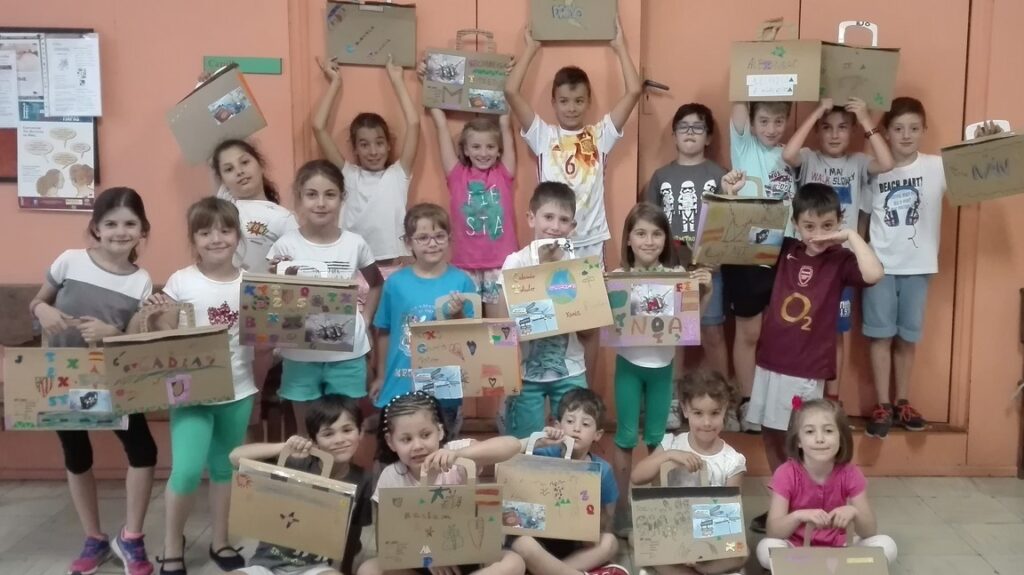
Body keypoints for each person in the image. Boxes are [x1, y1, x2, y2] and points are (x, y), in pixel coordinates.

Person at [29, 187, 158, 575]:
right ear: (96, 228)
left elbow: (134, 338)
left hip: (112, 377)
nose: (120, 232)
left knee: (143, 451)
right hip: (62, 375)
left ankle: (131, 537)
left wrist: (111, 332)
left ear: (142, 230)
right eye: (111, 223)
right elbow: (38, 302)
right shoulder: (70, 261)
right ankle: (93, 537)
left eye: (130, 224)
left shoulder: (141, 281)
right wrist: (42, 310)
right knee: (77, 454)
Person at [744, 183, 883, 533]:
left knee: (800, 438)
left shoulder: (841, 260)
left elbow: (874, 274)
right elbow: (738, 236)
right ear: (795, 224)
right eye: (809, 226)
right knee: (771, 435)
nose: (818, 234)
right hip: (769, 360)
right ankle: (785, 506)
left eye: (827, 225)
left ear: (839, 222)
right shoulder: (785, 249)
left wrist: (850, 236)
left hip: (805, 367)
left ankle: (808, 508)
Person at [144, 198, 262, 574]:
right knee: (186, 470)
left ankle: (220, 540)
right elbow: (166, 334)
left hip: (238, 390)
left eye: (225, 230)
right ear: (193, 238)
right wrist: (157, 317)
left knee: (226, 469)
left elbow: (263, 335)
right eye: (205, 232)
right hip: (190, 393)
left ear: (238, 236)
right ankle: (171, 544)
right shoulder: (182, 280)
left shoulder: (251, 283)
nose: (216, 239)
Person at [429, 388, 626, 575]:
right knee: (522, 544)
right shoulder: (541, 454)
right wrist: (542, 439)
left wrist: (592, 527)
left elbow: (606, 518)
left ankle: (551, 571)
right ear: (558, 425)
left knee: (609, 542)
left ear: (598, 434)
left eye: (586, 424)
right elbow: (512, 463)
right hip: (534, 539)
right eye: (570, 421)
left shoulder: (603, 470)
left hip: (573, 544)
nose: (576, 429)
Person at [607, 202, 713, 534]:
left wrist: (705, 291)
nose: (649, 241)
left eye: (656, 234)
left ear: (666, 239)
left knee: (657, 438)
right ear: (628, 239)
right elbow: (606, 321)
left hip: (662, 369)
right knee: (625, 437)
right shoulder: (617, 278)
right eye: (640, 233)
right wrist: (596, 290)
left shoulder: (676, 278)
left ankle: (657, 510)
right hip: (628, 366)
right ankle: (621, 509)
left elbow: (690, 323)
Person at [782, 97, 895, 401]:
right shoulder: (809, 158)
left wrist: (866, 119)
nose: (834, 134)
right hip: (807, 260)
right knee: (801, 324)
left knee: (836, 330)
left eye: (842, 127)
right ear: (818, 130)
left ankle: (832, 397)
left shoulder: (858, 162)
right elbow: (788, 154)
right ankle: (802, 395)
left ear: (852, 131)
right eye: (827, 127)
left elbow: (887, 163)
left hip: (839, 264)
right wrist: (817, 111)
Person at [505, 21, 641, 263]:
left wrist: (620, 47)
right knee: (550, 288)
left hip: (590, 240)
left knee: (591, 290)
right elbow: (511, 92)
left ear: (588, 102)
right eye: (564, 101)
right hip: (551, 238)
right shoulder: (543, 135)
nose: (571, 108)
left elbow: (633, 91)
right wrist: (530, 49)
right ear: (554, 103)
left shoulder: (600, 136)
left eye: (578, 101)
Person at [644, 103, 742, 427]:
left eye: (698, 127)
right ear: (673, 135)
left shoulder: (719, 175)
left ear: (709, 136)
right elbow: (647, 221)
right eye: (683, 127)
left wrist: (730, 198)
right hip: (670, 270)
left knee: (712, 332)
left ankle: (723, 403)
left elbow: (733, 222)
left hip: (709, 269)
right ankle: (673, 401)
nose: (690, 132)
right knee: (674, 334)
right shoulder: (661, 176)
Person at [355, 392, 525, 575]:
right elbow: (388, 539)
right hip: (420, 560)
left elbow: (512, 445)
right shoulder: (391, 476)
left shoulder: (456, 454)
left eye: (425, 434)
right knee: (368, 569)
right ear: (391, 442)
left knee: (514, 562)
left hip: (470, 555)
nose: (417, 446)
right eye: (406, 439)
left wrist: (460, 455)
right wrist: (425, 554)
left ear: (440, 431)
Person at [267, 160, 383, 428]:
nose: (321, 203)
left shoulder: (355, 243)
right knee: (305, 432)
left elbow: (377, 283)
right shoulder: (285, 246)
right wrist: (274, 278)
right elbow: (271, 298)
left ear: (342, 198)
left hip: (347, 355)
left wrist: (365, 319)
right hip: (300, 354)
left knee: (345, 429)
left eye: (330, 194)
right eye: (311, 194)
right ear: (299, 197)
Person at [861, 97, 945, 438]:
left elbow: (975, 177)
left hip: (919, 266)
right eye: (898, 128)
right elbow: (864, 219)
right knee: (880, 335)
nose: (906, 135)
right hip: (879, 267)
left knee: (907, 337)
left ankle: (902, 401)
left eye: (913, 128)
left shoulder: (937, 167)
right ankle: (882, 403)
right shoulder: (874, 169)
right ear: (886, 132)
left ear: (924, 130)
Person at [415, 61, 518, 317]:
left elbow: (505, 123)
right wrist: (430, 83)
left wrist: (504, 81)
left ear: (499, 150)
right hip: (464, 267)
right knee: (467, 330)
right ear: (465, 149)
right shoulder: (457, 174)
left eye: (490, 147)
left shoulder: (503, 173)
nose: (483, 153)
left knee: (499, 331)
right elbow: (440, 125)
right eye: (476, 147)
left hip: (500, 266)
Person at [229, 394, 372, 575]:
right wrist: (283, 447)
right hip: (265, 565)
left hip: (315, 568)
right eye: (328, 433)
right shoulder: (296, 464)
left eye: (347, 430)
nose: (339, 439)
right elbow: (235, 457)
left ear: (360, 431)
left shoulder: (363, 479)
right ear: (314, 440)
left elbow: (353, 532)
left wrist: (346, 569)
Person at [370, 203, 478, 437]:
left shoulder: (462, 282)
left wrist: (458, 315)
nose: (432, 243)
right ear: (409, 242)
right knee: (397, 446)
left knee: (443, 448)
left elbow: (471, 339)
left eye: (439, 236)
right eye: (423, 237)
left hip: (445, 386)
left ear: (449, 238)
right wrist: (380, 376)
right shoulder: (395, 283)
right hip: (400, 383)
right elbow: (384, 331)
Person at [493, 182, 590, 438]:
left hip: (570, 369)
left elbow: (589, 329)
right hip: (525, 374)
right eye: (548, 217)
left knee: (574, 442)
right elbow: (502, 323)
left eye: (564, 220)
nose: (555, 226)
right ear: (531, 218)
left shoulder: (579, 266)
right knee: (525, 444)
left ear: (572, 226)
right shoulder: (516, 262)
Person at [756, 399, 898, 569]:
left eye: (828, 431)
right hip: (797, 548)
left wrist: (854, 512)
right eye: (810, 431)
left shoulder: (850, 473)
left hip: (841, 547)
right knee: (766, 547)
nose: (820, 439)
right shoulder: (786, 473)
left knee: (886, 545)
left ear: (841, 438)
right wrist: (798, 516)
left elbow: (869, 531)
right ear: (798, 441)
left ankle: (818, 569)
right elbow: (773, 531)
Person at [630, 370, 746, 575]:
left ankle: (698, 569)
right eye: (698, 413)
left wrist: (702, 548)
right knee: (637, 538)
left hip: (712, 537)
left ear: (725, 409)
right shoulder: (671, 443)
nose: (707, 422)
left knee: (740, 552)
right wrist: (668, 455)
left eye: (715, 413)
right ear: (685, 409)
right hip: (672, 532)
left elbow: (730, 516)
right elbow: (637, 476)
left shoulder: (732, 460)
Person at [725, 100, 797, 434]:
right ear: (752, 124)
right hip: (749, 246)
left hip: (787, 245)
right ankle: (748, 400)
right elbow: (740, 99)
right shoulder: (744, 146)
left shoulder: (792, 155)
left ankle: (775, 404)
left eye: (779, 121)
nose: (771, 128)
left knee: (779, 330)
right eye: (764, 121)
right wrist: (757, 73)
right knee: (749, 331)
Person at [313, 57, 419, 279]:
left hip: (394, 267)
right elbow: (318, 127)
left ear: (388, 145)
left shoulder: (398, 174)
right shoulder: (348, 175)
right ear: (355, 149)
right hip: (354, 267)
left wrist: (397, 80)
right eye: (364, 144)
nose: (373, 151)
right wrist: (334, 83)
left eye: (379, 143)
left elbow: (414, 123)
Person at [211, 139, 296, 274]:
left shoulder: (283, 218)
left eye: (245, 162)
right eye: (229, 169)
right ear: (222, 181)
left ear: (260, 165)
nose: (239, 171)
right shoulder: (224, 206)